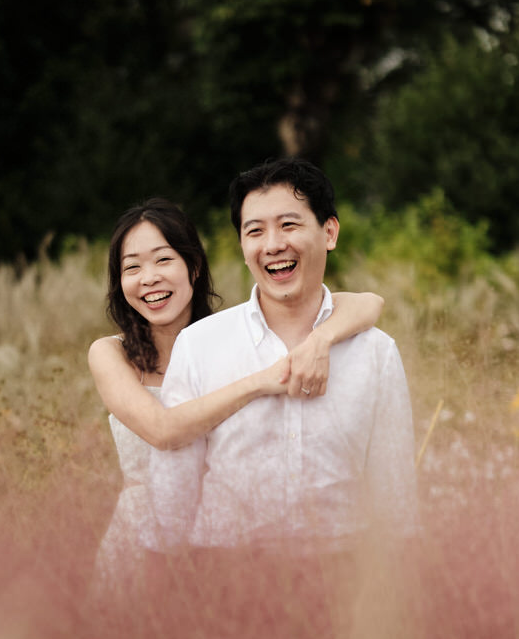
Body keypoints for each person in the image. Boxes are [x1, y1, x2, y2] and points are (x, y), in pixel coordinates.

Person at [89, 198, 384, 583]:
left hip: (227, 547)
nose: (149, 278)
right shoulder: (110, 353)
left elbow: (369, 303)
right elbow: (163, 431)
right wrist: (259, 382)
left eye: (163, 260)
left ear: (194, 267)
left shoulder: (225, 340)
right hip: (141, 545)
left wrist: (321, 339)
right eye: (132, 267)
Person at [143, 160, 418, 556]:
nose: (272, 245)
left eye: (289, 225)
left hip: (343, 567)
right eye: (255, 231)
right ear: (242, 246)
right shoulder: (199, 345)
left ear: (329, 232)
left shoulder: (375, 352)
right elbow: (173, 490)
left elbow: (395, 495)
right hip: (223, 567)